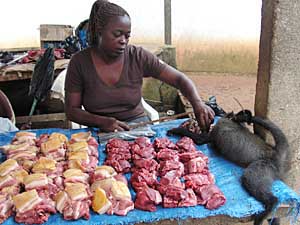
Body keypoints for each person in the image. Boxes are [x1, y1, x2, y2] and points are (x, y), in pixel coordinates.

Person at [65, 0, 215, 133]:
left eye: (127, 35)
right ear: (99, 31)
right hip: (97, 130)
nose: (123, 40)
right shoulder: (79, 63)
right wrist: (102, 122)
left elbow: (179, 79)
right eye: (117, 34)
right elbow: (72, 111)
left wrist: (197, 103)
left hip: (137, 126)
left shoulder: (138, 56)